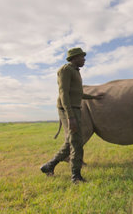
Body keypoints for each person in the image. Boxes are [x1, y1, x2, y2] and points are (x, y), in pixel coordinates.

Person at [40, 47, 103, 183]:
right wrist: (70, 117)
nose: (84, 59)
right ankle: (76, 177)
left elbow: (77, 93)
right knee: (76, 143)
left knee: (72, 141)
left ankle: (49, 166)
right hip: (67, 109)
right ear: (74, 58)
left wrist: (93, 97)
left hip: (75, 108)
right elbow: (64, 93)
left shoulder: (75, 71)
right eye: (82, 57)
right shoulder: (65, 70)